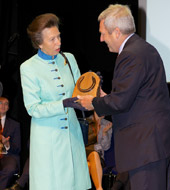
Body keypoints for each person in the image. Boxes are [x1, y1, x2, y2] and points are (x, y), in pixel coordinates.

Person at [77, 4, 170, 190]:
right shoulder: (144, 48)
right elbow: (136, 97)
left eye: (104, 33)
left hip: (147, 148)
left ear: (117, 32)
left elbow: (121, 102)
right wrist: (107, 97)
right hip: (159, 144)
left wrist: (93, 103)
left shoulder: (129, 55)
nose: (102, 39)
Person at [19, 13, 91, 190]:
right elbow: (33, 108)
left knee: (75, 185)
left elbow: (79, 92)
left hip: (72, 136)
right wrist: (63, 104)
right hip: (47, 140)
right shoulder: (28, 68)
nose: (58, 42)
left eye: (59, 36)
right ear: (39, 43)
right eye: (52, 39)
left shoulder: (69, 58)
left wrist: (92, 85)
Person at [86, 111, 112, 190]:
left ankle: (99, 188)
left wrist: (104, 133)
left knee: (94, 156)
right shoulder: (86, 122)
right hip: (84, 153)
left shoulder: (107, 124)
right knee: (88, 165)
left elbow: (106, 147)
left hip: (98, 155)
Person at [0, 96, 21, 190]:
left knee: (10, 169)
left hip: (8, 155)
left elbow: (18, 148)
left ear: (8, 107)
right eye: (0, 103)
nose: (3, 105)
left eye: (6, 103)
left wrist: (7, 144)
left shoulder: (15, 125)